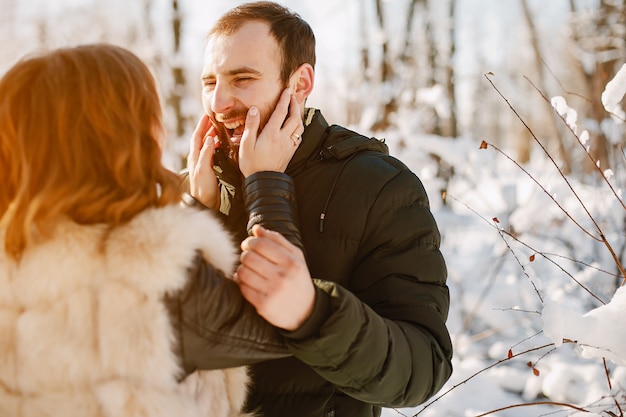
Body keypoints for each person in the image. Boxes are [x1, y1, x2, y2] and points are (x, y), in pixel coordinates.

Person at [0, 43, 304, 417]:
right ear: (122, 134)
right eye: (150, 112)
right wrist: (267, 181)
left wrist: (198, 207)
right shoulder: (153, 270)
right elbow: (284, 316)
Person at [185, 2, 454, 416]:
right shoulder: (196, 185)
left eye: (242, 79)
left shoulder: (379, 185)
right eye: (209, 82)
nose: (218, 102)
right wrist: (200, 213)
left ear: (300, 83)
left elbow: (423, 368)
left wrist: (315, 314)